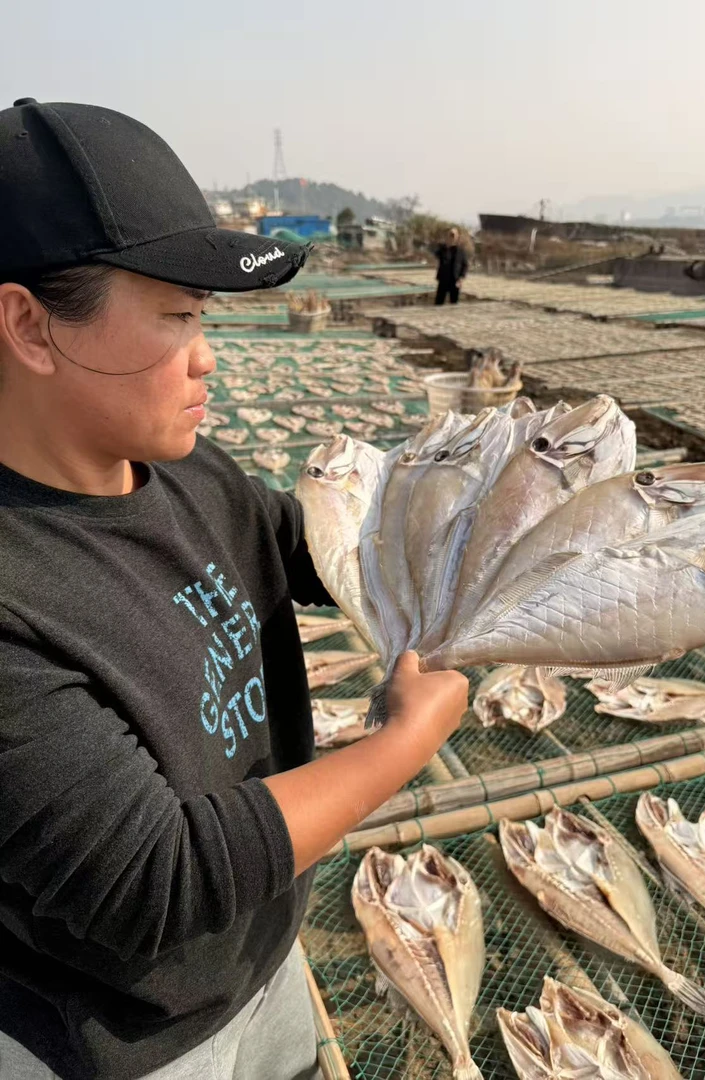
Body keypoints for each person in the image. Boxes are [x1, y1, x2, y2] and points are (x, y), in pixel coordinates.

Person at [0, 98, 469, 1080]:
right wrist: (400, 746)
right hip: (131, 1037)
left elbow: (307, 548)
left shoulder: (186, 471)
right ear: (29, 326)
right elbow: (154, 878)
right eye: (176, 316)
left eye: (204, 316)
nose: (206, 355)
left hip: (261, 950)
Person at [433, 227, 469, 305]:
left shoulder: (461, 251)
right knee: (438, 303)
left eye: (453, 235)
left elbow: (465, 265)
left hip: (455, 280)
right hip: (443, 279)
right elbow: (435, 254)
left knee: (454, 303)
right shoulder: (442, 248)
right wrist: (446, 245)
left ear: (457, 236)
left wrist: (461, 278)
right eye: (450, 234)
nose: (451, 237)